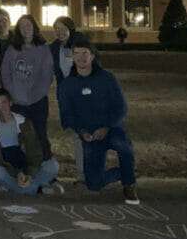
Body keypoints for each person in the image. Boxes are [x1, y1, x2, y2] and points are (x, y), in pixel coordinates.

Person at [59, 34, 139, 204]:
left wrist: (106, 127)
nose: (81, 57)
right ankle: (127, 171)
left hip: (112, 129)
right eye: (77, 53)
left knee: (124, 148)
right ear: (72, 57)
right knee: (94, 185)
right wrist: (81, 131)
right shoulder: (67, 85)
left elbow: (121, 108)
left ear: (92, 56)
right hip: (90, 135)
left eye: (85, 53)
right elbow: (67, 114)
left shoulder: (106, 78)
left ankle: (129, 184)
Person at [0, 88, 61, 196]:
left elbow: (34, 152)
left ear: (10, 103)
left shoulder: (25, 123)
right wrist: (17, 174)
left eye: (4, 102)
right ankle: (35, 187)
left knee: (53, 165)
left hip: (25, 165)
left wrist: (28, 174)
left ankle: (20, 187)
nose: (1, 107)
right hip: (8, 168)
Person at [1, 14, 55, 161]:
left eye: (28, 25)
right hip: (17, 101)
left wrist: (34, 96)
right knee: (16, 137)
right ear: (18, 30)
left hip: (38, 101)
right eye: (22, 26)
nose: (26, 28)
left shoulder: (43, 49)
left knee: (40, 135)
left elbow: (47, 75)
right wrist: (14, 94)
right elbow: (5, 73)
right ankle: (19, 168)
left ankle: (46, 169)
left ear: (34, 28)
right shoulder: (12, 49)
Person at [50, 15, 84, 184]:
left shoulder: (82, 46)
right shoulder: (54, 48)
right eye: (56, 29)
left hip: (83, 96)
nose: (60, 32)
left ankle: (85, 174)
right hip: (66, 97)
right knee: (77, 134)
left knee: (84, 133)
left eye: (63, 29)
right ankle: (83, 173)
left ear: (70, 29)